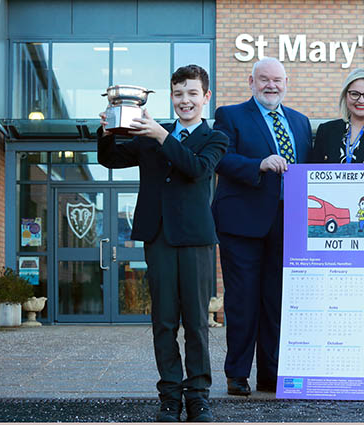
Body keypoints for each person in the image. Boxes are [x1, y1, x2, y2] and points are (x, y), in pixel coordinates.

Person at [97, 64, 227, 422]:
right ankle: (170, 395)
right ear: (171, 96)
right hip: (157, 237)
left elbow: (197, 169)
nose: (185, 100)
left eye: (192, 93)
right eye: (178, 93)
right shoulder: (150, 135)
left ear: (205, 97)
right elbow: (109, 158)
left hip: (196, 240)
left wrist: (161, 136)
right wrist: (107, 131)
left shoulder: (215, 138)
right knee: (164, 321)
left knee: (198, 322)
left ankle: (198, 395)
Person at [211, 57, 312, 396]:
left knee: (277, 301)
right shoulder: (231, 115)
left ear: (287, 83)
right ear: (250, 82)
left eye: (278, 80)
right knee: (242, 301)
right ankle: (237, 374)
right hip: (242, 223)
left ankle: (272, 374)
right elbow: (221, 158)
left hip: (288, 223)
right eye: (264, 79)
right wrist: (260, 164)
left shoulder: (300, 122)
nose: (271, 85)